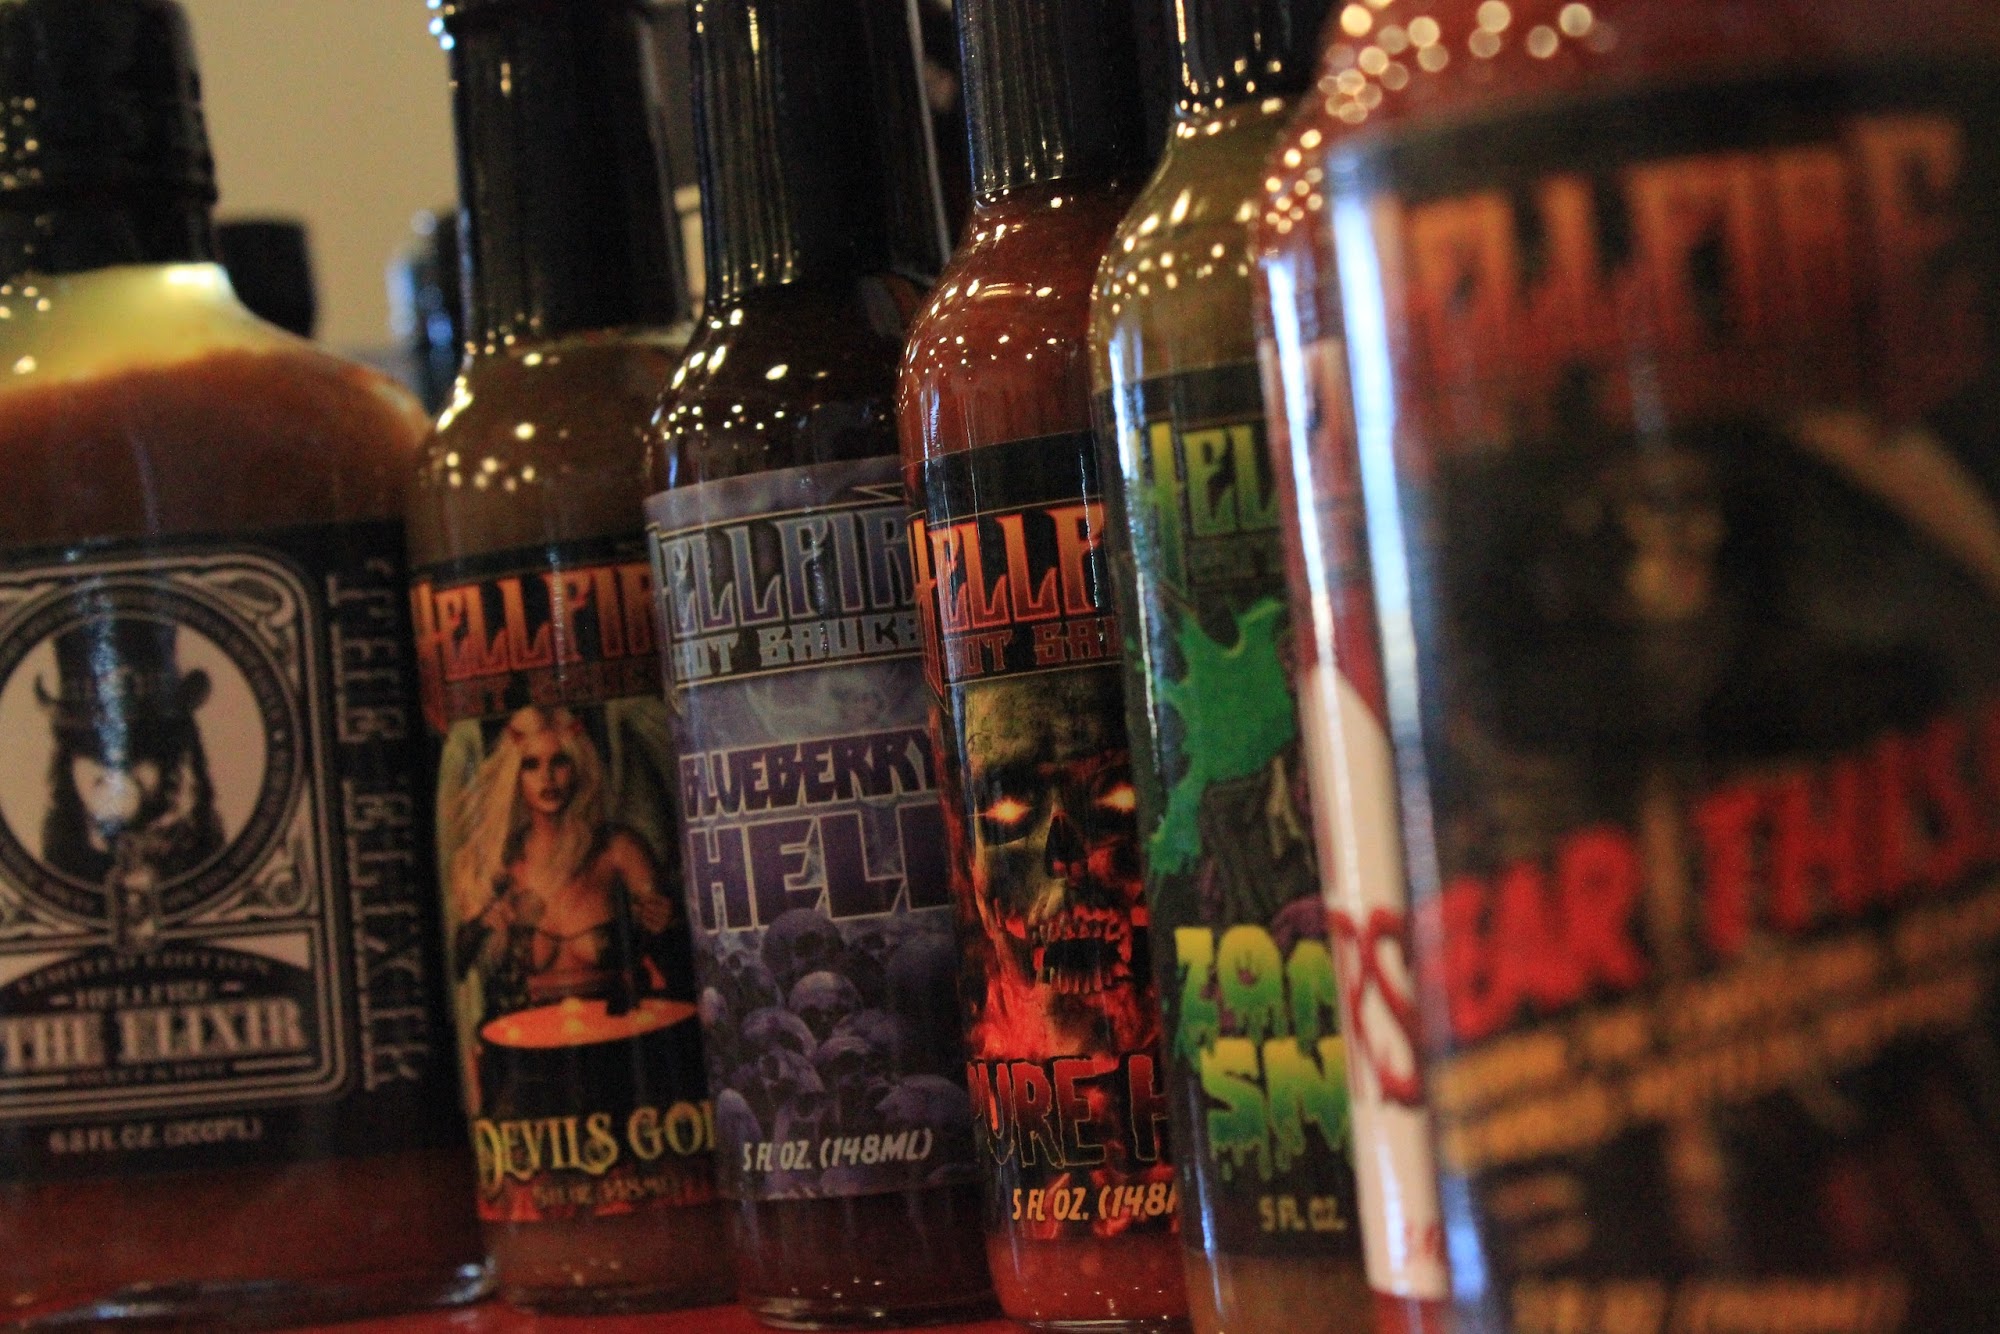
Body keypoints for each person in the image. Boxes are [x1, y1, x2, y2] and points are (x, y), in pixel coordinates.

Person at [449, 706, 674, 1016]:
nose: (547, 777)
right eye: (531, 764)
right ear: (515, 776)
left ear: (578, 766)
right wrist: (482, 928)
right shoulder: (501, 864)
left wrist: (664, 923)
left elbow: (672, 962)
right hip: (528, 1035)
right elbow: (457, 970)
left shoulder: (618, 850)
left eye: (559, 761)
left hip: (618, 1027)